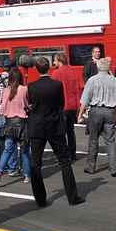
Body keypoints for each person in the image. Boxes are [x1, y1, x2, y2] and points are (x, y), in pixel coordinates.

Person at [27, 57, 84, 207]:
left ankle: (40, 199)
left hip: (37, 126)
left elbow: (31, 104)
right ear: (49, 68)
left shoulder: (31, 86)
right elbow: (61, 104)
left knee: (36, 163)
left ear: (37, 69)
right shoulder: (57, 85)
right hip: (54, 124)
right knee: (64, 161)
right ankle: (73, 197)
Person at [78, 57, 116, 176]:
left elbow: (85, 99)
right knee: (110, 140)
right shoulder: (115, 80)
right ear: (108, 67)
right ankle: (114, 168)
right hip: (110, 112)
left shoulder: (92, 80)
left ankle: (90, 167)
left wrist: (80, 114)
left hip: (95, 111)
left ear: (98, 67)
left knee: (93, 140)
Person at [0, 68, 32, 186]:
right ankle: (27, 176)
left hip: (9, 123)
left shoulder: (6, 90)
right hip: (22, 123)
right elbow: (27, 105)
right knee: (25, 151)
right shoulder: (24, 89)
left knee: (8, 150)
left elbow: (3, 109)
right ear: (20, 78)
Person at [53, 53, 83, 161]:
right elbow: (79, 88)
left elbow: (54, 91)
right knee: (71, 131)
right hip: (73, 105)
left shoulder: (56, 73)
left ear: (59, 61)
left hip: (62, 106)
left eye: (55, 60)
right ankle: (72, 153)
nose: (54, 63)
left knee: (61, 132)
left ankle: (64, 154)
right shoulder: (73, 71)